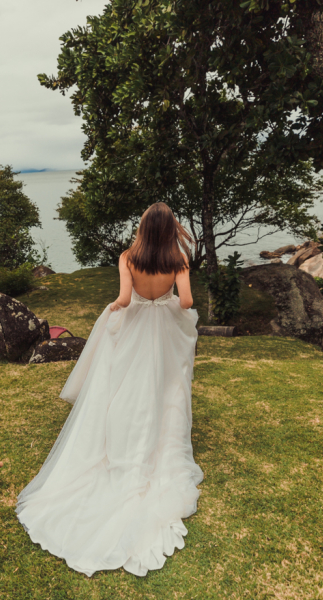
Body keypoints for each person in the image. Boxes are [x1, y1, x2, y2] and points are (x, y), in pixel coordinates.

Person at [16, 202, 202, 577]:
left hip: (136, 326)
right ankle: (160, 437)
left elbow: (124, 299)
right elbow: (186, 302)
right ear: (170, 230)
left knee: (126, 386)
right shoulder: (178, 259)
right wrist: (166, 297)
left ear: (143, 227)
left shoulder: (129, 258)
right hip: (165, 327)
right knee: (166, 384)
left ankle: (124, 437)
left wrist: (117, 306)